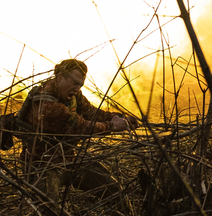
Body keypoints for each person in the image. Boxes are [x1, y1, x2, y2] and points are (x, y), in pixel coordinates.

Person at [16, 59, 137, 202]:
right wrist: (112, 126)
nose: (77, 88)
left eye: (80, 84)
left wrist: (119, 119)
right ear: (60, 77)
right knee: (49, 211)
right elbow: (79, 127)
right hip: (41, 166)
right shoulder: (44, 102)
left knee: (114, 191)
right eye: (74, 83)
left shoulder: (73, 95)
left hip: (68, 160)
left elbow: (92, 113)